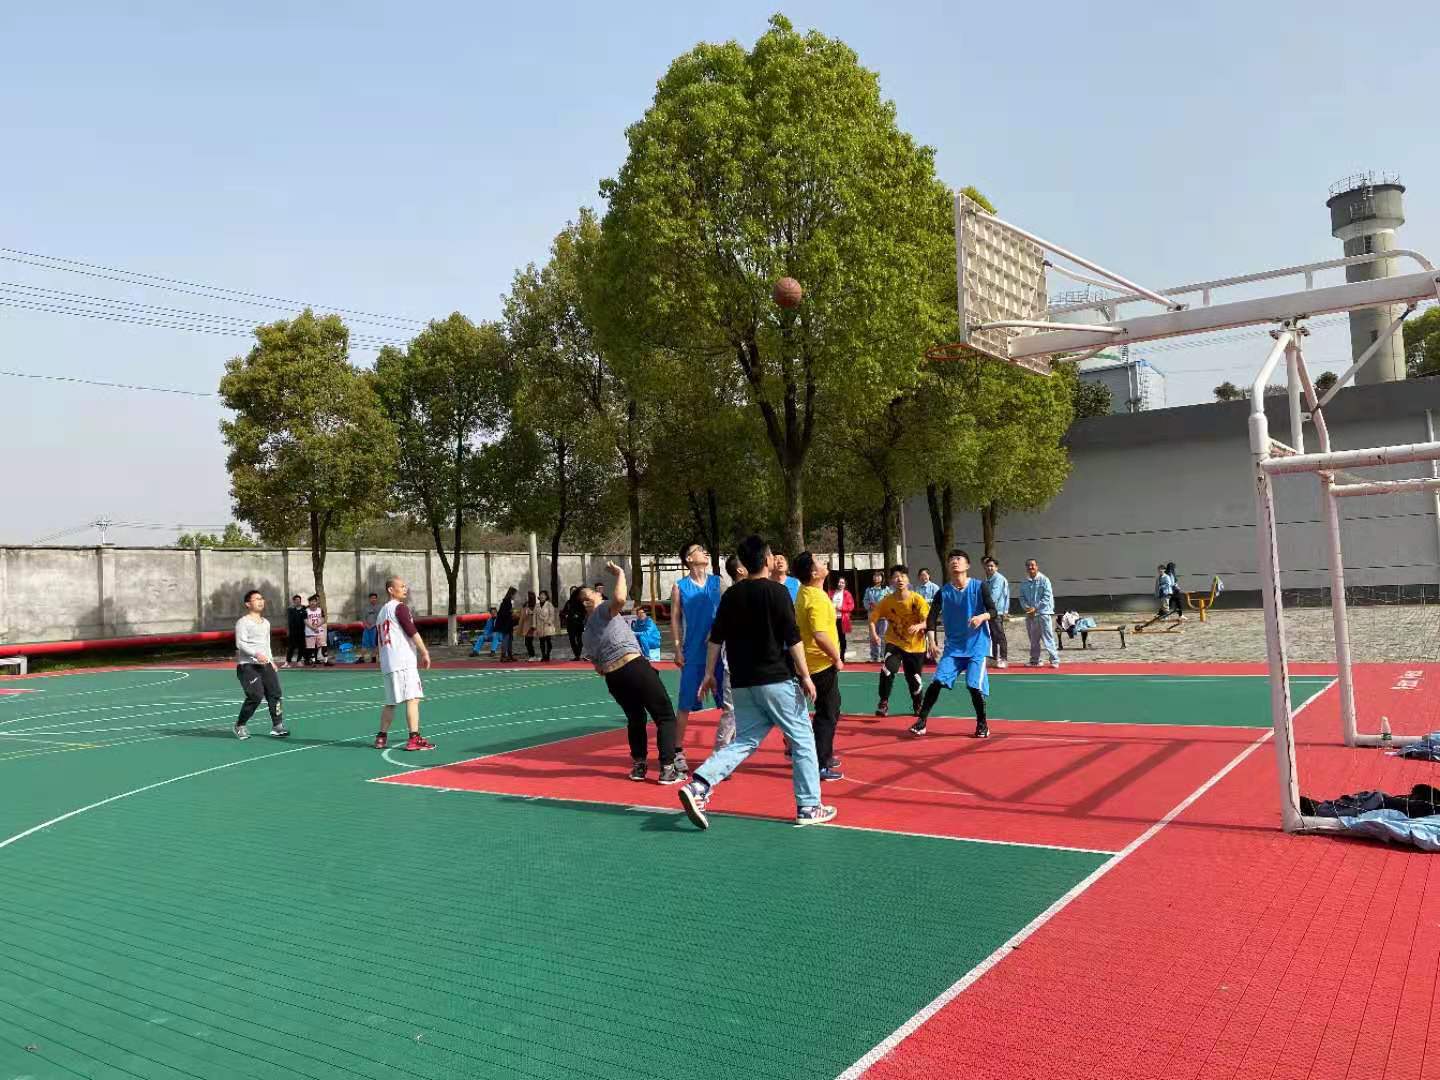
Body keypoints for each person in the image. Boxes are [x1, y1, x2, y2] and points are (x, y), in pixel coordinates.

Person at [677, 535, 837, 830]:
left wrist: (709, 673)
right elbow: (792, 638)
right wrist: (804, 675)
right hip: (775, 679)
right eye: (772, 554)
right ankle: (809, 805)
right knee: (802, 739)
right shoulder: (778, 592)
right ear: (765, 560)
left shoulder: (731, 595)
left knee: (745, 740)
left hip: (741, 682)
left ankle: (698, 785)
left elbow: (715, 638)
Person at [580, 562, 685, 785]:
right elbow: (620, 599)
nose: (599, 593)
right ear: (587, 602)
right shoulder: (602, 610)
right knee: (665, 716)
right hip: (633, 666)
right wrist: (619, 573)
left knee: (636, 718)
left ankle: (639, 766)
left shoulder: (586, 633)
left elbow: (598, 668)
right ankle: (667, 769)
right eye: (594, 593)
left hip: (613, 677)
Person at [911, 550, 996, 738]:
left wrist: (981, 617)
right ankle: (921, 721)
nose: (954, 562)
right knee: (936, 682)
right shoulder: (943, 592)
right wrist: (932, 642)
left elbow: (993, 610)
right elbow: (931, 618)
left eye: (958, 559)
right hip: (954, 648)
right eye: (951, 560)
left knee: (974, 686)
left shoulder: (979, 587)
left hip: (977, 646)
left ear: (967, 565)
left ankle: (982, 724)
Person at [671, 541, 735, 774]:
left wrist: (718, 630)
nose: (705, 552)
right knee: (685, 703)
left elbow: (730, 609)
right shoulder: (680, 587)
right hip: (693, 652)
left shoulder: (718, 582)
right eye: (699, 550)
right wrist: (677, 648)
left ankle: (725, 753)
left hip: (719, 650)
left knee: (728, 705)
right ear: (689, 558)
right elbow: (675, 619)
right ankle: (677, 751)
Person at [794, 551, 844, 781]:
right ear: (814, 572)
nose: (824, 563)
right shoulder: (816, 598)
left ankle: (823, 755)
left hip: (810, 663)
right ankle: (820, 763)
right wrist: (836, 658)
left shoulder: (805, 592)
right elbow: (820, 634)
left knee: (830, 709)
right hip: (820, 665)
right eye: (819, 561)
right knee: (827, 713)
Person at [373, 576, 434, 751]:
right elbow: (411, 631)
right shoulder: (399, 608)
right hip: (403, 661)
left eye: (405, 586)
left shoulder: (381, 613)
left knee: (391, 702)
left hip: (388, 663)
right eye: (401, 586)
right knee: (413, 699)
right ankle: (414, 738)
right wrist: (424, 652)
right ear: (391, 590)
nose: (405, 589)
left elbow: (379, 640)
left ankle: (381, 737)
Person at [868, 566, 930, 718]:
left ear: (908, 580)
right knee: (887, 670)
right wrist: (874, 634)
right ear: (891, 581)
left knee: (913, 678)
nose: (900, 579)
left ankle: (917, 704)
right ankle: (883, 702)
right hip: (894, 642)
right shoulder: (887, 601)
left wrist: (919, 626)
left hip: (915, 646)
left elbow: (929, 621)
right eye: (896, 576)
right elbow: (873, 618)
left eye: (903, 576)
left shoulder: (917, 599)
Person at [233, 589, 289, 740]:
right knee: (256, 696)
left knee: (275, 694)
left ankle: (277, 726)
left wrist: (271, 661)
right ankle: (240, 725)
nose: (261, 601)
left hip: (265, 665)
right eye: (256, 599)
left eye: (262, 598)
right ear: (248, 604)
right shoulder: (243, 622)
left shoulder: (266, 623)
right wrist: (256, 654)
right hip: (248, 666)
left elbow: (266, 644)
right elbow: (240, 644)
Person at [1020, 558, 1060, 668]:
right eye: (1028, 565)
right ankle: (1035, 660)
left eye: (1033, 565)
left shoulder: (1044, 580)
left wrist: (1036, 608)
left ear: (1037, 567)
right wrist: (1027, 608)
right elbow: (1021, 597)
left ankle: (1054, 660)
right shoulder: (1024, 582)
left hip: (1043, 613)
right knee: (1033, 639)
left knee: (1048, 638)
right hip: (1030, 615)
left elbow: (1047, 597)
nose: (1030, 567)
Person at [981, 556, 1011, 669]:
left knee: (999, 635)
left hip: (996, 612)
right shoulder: (987, 580)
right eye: (987, 566)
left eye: (992, 566)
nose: (989, 568)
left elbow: (994, 596)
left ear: (996, 567)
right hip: (989, 612)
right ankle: (993, 658)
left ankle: (1003, 659)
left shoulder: (998, 579)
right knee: (991, 636)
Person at [862, 570, 890, 662]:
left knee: (883, 636)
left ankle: (883, 656)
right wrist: (869, 606)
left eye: (878, 576)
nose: (876, 578)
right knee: (872, 636)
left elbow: (890, 601)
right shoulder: (869, 589)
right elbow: (865, 600)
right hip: (872, 616)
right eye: (874, 576)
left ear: (882, 578)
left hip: (883, 617)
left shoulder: (886, 589)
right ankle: (874, 656)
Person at [830, 575, 855, 661]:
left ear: (845, 584)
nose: (841, 584)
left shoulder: (847, 594)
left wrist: (841, 608)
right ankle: (834, 655)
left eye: (843, 583)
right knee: (832, 638)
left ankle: (842, 655)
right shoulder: (831, 592)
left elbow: (851, 606)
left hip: (842, 619)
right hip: (832, 619)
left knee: (842, 638)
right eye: (839, 582)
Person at [533, 590, 559, 661]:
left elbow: (552, 615)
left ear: (546, 596)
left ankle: (548, 654)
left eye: (543, 595)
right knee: (541, 641)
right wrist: (534, 625)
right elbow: (534, 616)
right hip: (539, 625)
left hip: (547, 625)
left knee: (548, 641)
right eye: (541, 595)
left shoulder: (549, 605)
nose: (542, 596)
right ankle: (543, 655)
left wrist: (549, 621)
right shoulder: (537, 605)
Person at [495, 587, 518, 661]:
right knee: (506, 639)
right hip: (505, 625)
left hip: (508, 624)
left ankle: (509, 655)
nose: (515, 596)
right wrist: (512, 613)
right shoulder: (506, 603)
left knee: (510, 639)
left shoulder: (507, 602)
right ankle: (503, 656)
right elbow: (504, 614)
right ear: (511, 594)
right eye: (514, 595)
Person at [563, 586, 586, 660]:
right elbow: (563, 612)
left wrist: (578, 615)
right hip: (570, 624)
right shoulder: (568, 602)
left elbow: (584, 612)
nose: (573, 592)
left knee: (580, 640)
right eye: (572, 591)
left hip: (579, 623)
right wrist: (566, 615)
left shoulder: (581, 601)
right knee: (572, 640)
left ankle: (578, 654)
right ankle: (577, 655)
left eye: (575, 590)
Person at [283, 593, 306, 667]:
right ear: (294, 601)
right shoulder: (290, 610)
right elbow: (288, 621)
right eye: (296, 600)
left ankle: (299, 661)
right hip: (292, 632)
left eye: (299, 600)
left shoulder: (304, 609)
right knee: (291, 647)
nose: (297, 601)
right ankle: (287, 662)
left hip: (301, 632)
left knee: (301, 647)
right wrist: (287, 630)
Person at [304, 595, 326, 666]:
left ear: (316, 602)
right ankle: (311, 661)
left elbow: (323, 619)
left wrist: (317, 626)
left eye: (314, 601)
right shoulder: (306, 610)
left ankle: (323, 660)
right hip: (309, 631)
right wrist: (312, 628)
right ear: (309, 602)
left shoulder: (320, 610)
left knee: (321, 645)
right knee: (310, 647)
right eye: (311, 601)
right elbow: (305, 621)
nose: (313, 603)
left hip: (319, 630)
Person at [360, 592, 380, 663]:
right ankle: (362, 658)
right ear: (369, 599)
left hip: (375, 628)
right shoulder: (366, 608)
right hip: (366, 628)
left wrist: (373, 625)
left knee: (374, 644)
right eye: (372, 598)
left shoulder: (379, 608)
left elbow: (379, 618)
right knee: (364, 643)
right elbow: (363, 618)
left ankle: (373, 658)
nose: (373, 599)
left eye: (375, 598)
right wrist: (366, 625)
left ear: (376, 599)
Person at [519, 591, 538, 661]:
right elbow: (523, 615)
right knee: (527, 642)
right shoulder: (525, 605)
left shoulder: (534, 606)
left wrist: (531, 613)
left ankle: (532, 656)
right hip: (525, 626)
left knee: (528, 642)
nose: (525, 597)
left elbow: (535, 615)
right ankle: (531, 655)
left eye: (527, 596)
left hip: (531, 626)